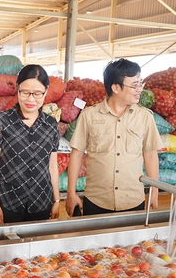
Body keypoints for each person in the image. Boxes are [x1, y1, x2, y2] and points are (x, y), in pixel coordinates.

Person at [66, 58, 161, 217]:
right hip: (96, 200)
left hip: (133, 200)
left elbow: (150, 155)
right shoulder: (89, 115)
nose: (139, 89)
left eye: (140, 84)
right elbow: (76, 154)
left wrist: (155, 191)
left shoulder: (145, 117)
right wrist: (71, 192)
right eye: (134, 85)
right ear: (116, 87)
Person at [0, 64, 60, 224]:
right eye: (25, 92)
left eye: (37, 93)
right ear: (17, 89)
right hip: (8, 203)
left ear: (46, 91)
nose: (31, 99)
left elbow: (52, 166)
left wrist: (57, 200)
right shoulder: (0, 121)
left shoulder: (51, 124)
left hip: (41, 201)